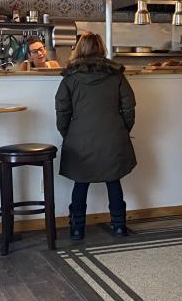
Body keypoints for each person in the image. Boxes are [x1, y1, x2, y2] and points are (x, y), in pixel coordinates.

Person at [55, 32, 136, 240]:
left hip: (80, 139)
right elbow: (129, 106)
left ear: (79, 49)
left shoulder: (70, 77)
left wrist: (69, 134)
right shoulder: (116, 74)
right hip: (112, 137)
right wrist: (121, 130)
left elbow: (62, 110)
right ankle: (119, 226)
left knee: (80, 183)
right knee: (113, 181)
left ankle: (76, 229)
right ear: (102, 49)